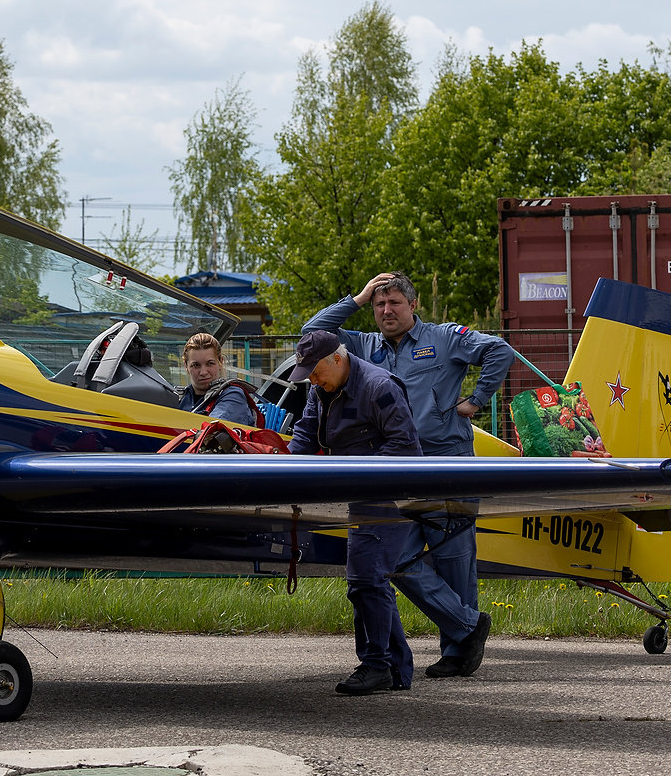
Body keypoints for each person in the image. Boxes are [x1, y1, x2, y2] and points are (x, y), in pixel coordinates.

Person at [303, 271, 510, 678]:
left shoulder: (444, 338)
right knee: (395, 558)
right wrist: (357, 298)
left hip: (446, 463)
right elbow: (313, 333)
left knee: (453, 559)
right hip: (394, 467)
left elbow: (499, 350)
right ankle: (468, 626)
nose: (386, 310)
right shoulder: (363, 345)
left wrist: (476, 400)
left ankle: (457, 653)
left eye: (394, 302)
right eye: (379, 304)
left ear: (413, 305)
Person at [285, 329, 420, 695]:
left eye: (316, 372)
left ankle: (376, 665)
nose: (313, 380)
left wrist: (354, 474)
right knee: (371, 579)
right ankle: (395, 668)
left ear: (337, 359)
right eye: (308, 375)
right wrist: (280, 469)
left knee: (365, 579)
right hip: (361, 493)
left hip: (388, 495)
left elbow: (406, 447)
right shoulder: (321, 389)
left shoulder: (379, 387)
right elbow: (306, 434)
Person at [178, 333, 257, 425]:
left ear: (220, 362)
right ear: (186, 366)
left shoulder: (233, 396)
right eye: (196, 365)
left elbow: (213, 428)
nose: (203, 372)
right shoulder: (179, 398)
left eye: (210, 363)